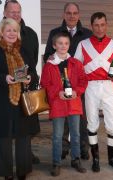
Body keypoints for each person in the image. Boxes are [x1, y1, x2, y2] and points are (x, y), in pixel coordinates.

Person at [0, 0, 40, 164]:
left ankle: (24, 163)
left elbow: (33, 66)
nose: (16, 14)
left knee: (24, 134)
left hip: (23, 94)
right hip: (2, 95)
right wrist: (4, 78)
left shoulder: (30, 37)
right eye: (12, 11)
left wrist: (30, 78)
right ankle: (5, 170)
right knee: (3, 134)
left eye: (18, 11)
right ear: (4, 14)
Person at [74, 12, 113, 172]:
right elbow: (76, 67)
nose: (100, 28)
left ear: (106, 25)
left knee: (112, 124)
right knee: (92, 123)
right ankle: (95, 158)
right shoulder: (83, 44)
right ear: (91, 26)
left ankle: (112, 158)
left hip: (108, 86)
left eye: (102, 24)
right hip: (91, 87)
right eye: (96, 25)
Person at [43, 2, 92, 160]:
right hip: (59, 87)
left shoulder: (87, 34)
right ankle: (63, 149)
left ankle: (82, 150)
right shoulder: (54, 32)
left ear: (78, 15)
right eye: (69, 13)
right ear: (64, 14)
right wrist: (50, 58)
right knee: (61, 124)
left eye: (75, 13)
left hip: (78, 84)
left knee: (80, 121)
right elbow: (47, 55)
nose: (72, 16)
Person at [40, 32, 88, 176]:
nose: (63, 46)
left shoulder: (76, 63)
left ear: (69, 45)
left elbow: (83, 81)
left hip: (74, 104)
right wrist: (57, 93)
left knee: (76, 134)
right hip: (57, 104)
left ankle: (76, 159)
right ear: (54, 45)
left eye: (66, 43)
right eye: (60, 43)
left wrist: (77, 91)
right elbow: (45, 84)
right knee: (57, 136)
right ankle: (56, 163)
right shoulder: (49, 66)